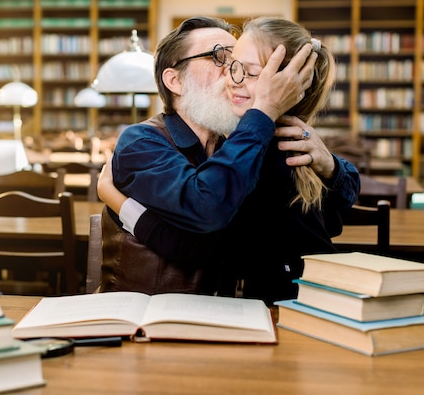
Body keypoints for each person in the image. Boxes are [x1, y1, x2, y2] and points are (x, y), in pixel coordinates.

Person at [99, 17, 359, 304]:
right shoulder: (141, 141)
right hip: (146, 313)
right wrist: (263, 110)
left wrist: (332, 167)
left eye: (238, 62)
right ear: (175, 80)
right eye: (218, 56)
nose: (232, 72)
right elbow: (202, 222)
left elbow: (331, 218)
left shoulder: (245, 143)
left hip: (260, 307)